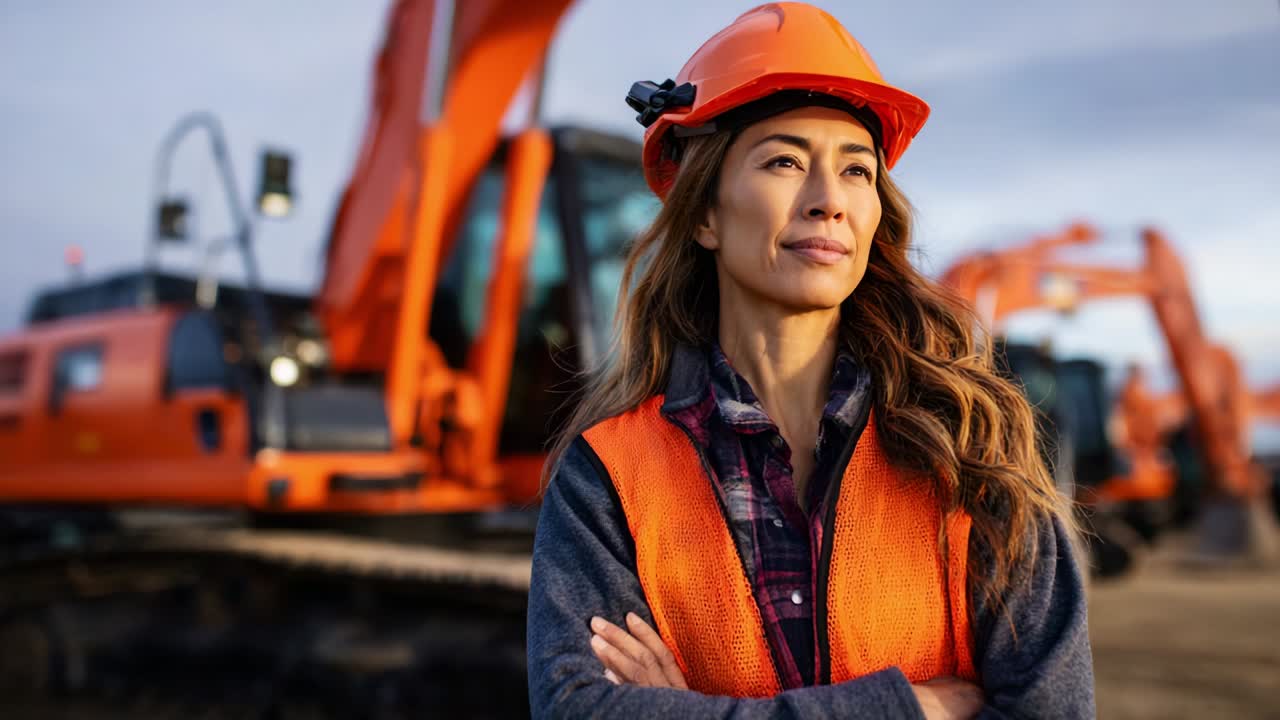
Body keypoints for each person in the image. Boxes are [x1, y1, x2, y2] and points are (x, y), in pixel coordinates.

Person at [526, 3, 1095, 718]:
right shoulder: (606, 476)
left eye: (856, 171)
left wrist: (693, 709)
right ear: (704, 213)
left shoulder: (972, 448)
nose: (829, 201)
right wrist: (914, 709)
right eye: (785, 161)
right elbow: (580, 712)